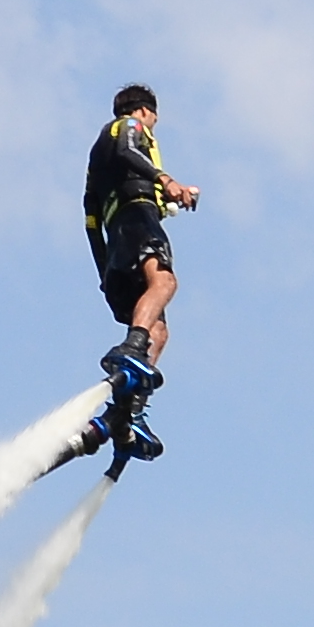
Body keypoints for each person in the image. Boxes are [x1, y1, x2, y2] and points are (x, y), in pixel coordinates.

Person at [84, 84, 197, 417]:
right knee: (165, 284)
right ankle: (132, 347)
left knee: (159, 332)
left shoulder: (96, 168)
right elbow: (127, 150)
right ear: (146, 111)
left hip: (118, 235)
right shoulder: (128, 127)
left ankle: (128, 406)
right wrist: (164, 178)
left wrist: (103, 268)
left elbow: (91, 220)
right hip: (136, 217)